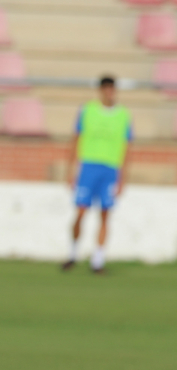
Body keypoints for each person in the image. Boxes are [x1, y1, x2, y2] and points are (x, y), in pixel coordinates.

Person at [62, 75, 132, 274]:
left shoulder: (123, 115)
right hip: (88, 167)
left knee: (105, 214)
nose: (109, 93)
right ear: (100, 90)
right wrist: (70, 169)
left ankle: (98, 261)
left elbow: (126, 147)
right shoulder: (88, 110)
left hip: (110, 169)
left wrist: (122, 177)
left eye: (112, 89)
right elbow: (76, 139)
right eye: (106, 89)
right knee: (81, 211)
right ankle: (72, 254)